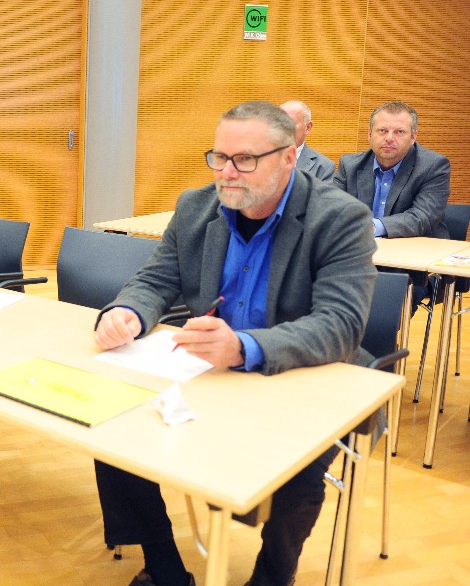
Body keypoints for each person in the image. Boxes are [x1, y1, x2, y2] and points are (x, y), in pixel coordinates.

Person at [92, 101, 376, 586]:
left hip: (308, 377)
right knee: (111, 427)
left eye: (245, 159)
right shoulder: (196, 206)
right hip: (213, 374)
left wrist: (245, 346)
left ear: (288, 158)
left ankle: (272, 577)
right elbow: (156, 280)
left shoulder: (340, 218)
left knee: (301, 476)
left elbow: (341, 323)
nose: (227, 172)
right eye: (220, 157)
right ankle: (163, 568)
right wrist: (128, 313)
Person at [334, 100, 450, 239]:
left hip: (416, 248)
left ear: (413, 137)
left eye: (399, 132)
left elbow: (423, 217)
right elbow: (331, 207)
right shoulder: (350, 165)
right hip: (360, 247)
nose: (389, 138)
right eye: (382, 131)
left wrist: (372, 227)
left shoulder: (433, 166)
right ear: (369, 134)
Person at [280, 100, 334, 181]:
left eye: (290, 123)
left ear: (308, 127)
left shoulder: (323, 167)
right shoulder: (264, 157)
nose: (284, 128)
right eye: (279, 123)